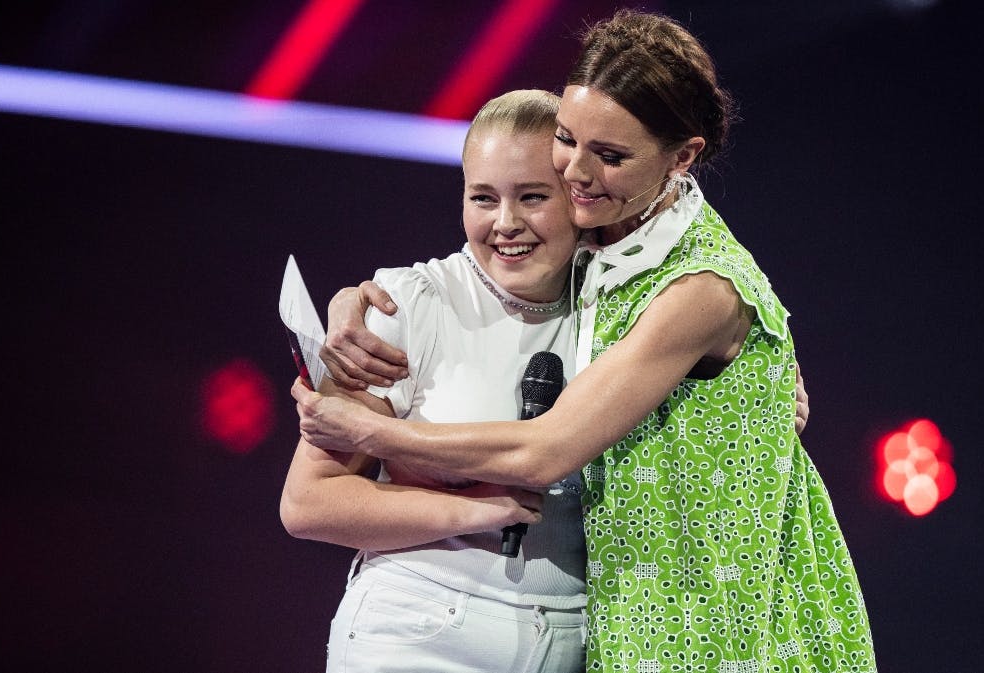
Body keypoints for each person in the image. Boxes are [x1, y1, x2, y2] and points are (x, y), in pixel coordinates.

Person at [296, 9, 873, 673]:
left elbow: (546, 451)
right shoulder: (597, 251)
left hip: (720, 624)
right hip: (615, 623)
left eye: (611, 155)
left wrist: (371, 433)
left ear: (682, 158)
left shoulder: (699, 286)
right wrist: (352, 302)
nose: (575, 172)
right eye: (568, 139)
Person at [280, 89, 590, 673]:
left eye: (532, 196)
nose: (505, 223)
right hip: (417, 630)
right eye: (483, 197)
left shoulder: (625, 311)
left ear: (578, 196)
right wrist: (476, 510)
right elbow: (309, 502)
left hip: (573, 641)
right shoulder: (406, 305)